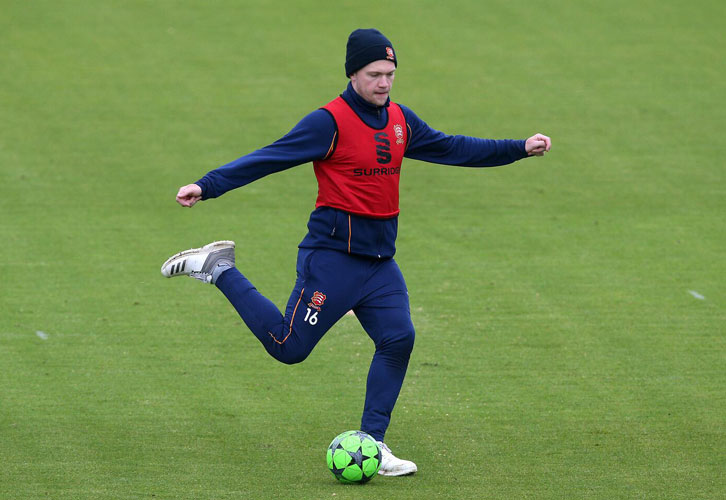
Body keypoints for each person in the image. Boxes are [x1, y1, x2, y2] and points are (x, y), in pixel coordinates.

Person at [161, 28, 551, 476]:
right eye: (374, 74)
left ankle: (373, 443)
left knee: (398, 338)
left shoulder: (401, 120)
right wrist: (207, 186)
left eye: (390, 74)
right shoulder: (327, 122)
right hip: (332, 261)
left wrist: (519, 148)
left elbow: (453, 148)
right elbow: (269, 157)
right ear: (352, 74)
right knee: (288, 348)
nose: (384, 83)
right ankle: (219, 267)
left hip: (380, 265)